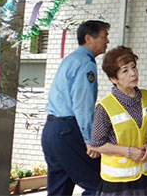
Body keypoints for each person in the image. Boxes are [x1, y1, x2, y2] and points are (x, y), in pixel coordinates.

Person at [42, 20, 110, 196]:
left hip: (52, 130)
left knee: (59, 188)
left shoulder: (71, 59)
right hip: (69, 130)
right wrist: (91, 140)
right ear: (89, 38)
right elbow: (82, 105)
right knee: (100, 184)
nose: (107, 41)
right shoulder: (86, 64)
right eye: (104, 36)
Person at [90, 46, 147, 195]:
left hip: (146, 177)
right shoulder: (105, 106)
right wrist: (127, 152)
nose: (133, 73)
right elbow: (97, 144)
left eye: (134, 67)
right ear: (114, 78)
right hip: (118, 184)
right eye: (125, 70)